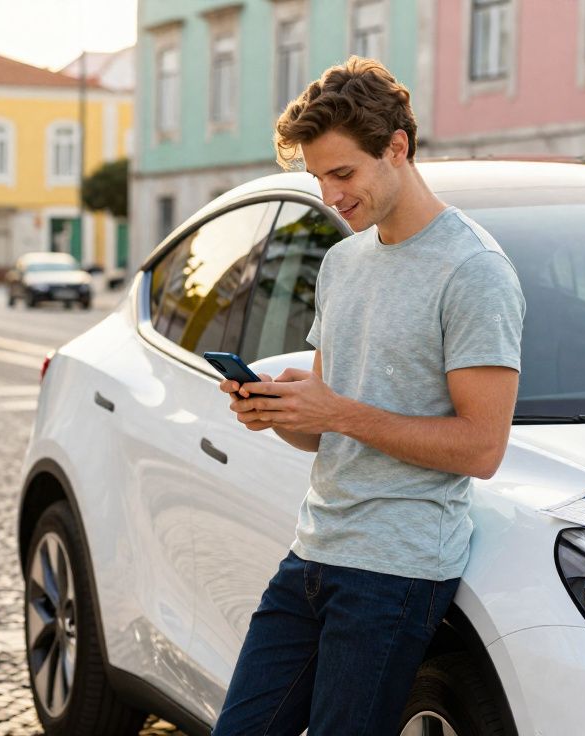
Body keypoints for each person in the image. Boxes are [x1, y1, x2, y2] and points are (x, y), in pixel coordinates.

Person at [212, 57, 525, 735]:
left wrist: (335, 411)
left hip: (396, 573)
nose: (330, 195)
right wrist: (280, 413)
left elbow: (482, 446)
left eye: (343, 174)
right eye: (318, 176)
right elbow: (330, 425)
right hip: (315, 552)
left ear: (397, 147)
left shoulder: (475, 272)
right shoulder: (343, 262)